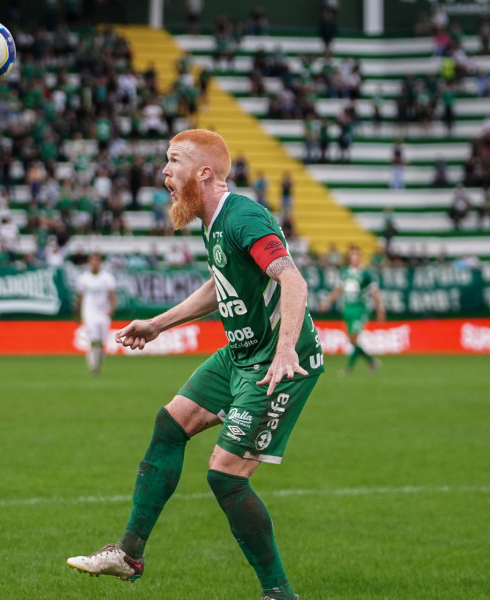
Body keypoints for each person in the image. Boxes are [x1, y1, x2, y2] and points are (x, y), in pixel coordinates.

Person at [67, 129, 325, 600]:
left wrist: (287, 348)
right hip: (240, 353)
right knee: (170, 425)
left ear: (204, 173)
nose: (165, 171)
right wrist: (159, 324)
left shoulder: (243, 216)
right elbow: (219, 283)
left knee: (225, 475)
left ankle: (279, 593)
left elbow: (294, 281)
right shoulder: (213, 221)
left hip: (276, 357)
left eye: (174, 161)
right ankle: (128, 553)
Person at [319, 245, 385, 376]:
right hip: (347, 309)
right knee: (352, 340)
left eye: (357, 255)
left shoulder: (366, 274)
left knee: (354, 338)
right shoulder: (345, 272)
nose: (354, 258)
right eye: (352, 255)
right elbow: (337, 290)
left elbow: (375, 292)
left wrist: (380, 308)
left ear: (360, 257)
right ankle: (372, 362)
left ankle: (348, 368)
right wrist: (327, 302)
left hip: (360, 309)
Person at [74, 252, 117, 376]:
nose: (95, 263)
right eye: (92, 260)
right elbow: (80, 297)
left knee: (102, 341)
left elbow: (112, 295)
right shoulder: (83, 279)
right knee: (93, 340)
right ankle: (93, 367)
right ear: (89, 263)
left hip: (103, 313)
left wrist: (112, 308)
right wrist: (77, 313)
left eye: (97, 260)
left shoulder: (107, 278)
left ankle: (98, 361)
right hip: (89, 312)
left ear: (100, 263)